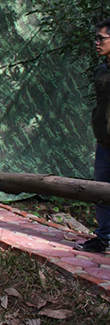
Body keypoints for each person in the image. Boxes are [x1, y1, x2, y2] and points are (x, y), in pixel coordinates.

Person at [75, 19, 110, 253]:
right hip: (105, 143)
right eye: (95, 38)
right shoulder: (100, 70)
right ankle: (104, 238)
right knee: (100, 192)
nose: (96, 42)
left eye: (101, 38)